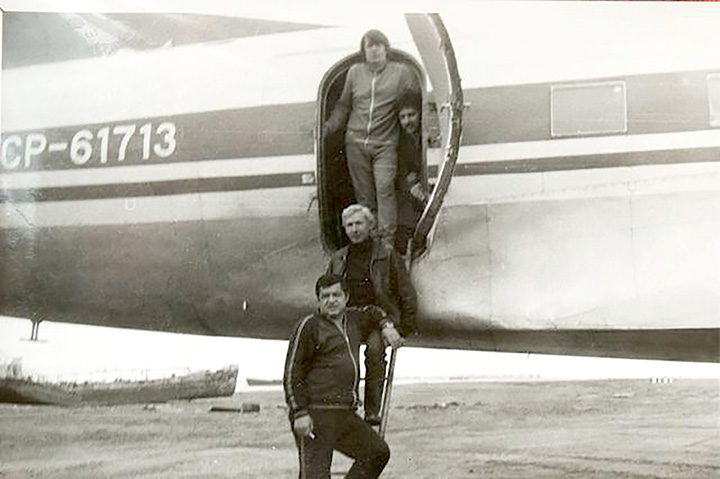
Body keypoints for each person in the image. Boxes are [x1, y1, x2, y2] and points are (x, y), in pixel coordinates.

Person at [284, 273, 403, 478]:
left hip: (344, 415)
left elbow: (373, 312)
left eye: (336, 295)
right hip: (315, 415)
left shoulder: (354, 320)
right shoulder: (309, 326)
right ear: (319, 300)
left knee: (377, 453)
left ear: (346, 297)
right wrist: (299, 412)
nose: (331, 300)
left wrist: (387, 326)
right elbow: (292, 373)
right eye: (325, 296)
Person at [323, 29, 420, 248]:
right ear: (364, 51)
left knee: (385, 189)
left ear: (386, 48)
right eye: (369, 46)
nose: (374, 50)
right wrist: (328, 128)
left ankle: (387, 243)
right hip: (355, 142)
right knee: (364, 196)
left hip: (386, 143)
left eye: (378, 45)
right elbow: (344, 105)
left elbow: (413, 101)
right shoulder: (355, 72)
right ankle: (373, 242)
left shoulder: (401, 72)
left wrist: (416, 131)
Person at [326, 204, 416, 425]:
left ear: (370, 225)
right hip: (350, 319)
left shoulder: (387, 255)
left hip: (379, 319)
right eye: (349, 225)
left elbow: (406, 292)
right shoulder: (339, 259)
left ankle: (372, 411)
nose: (354, 229)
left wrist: (404, 328)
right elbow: (326, 290)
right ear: (345, 229)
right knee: (349, 358)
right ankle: (349, 406)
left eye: (359, 224)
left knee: (375, 352)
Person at [395, 91, 428, 254]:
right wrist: (412, 185)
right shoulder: (400, 142)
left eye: (411, 115)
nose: (407, 121)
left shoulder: (426, 135)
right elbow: (401, 171)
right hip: (411, 194)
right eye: (403, 117)